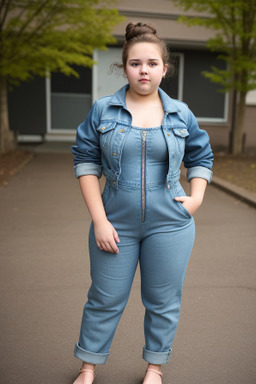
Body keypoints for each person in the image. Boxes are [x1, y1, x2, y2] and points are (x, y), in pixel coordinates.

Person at [71, 21, 213, 384]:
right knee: (105, 298)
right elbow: (85, 163)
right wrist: (100, 221)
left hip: (171, 223)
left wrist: (196, 198)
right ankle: (87, 367)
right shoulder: (103, 110)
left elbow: (201, 157)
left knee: (163, 301)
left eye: (152, 63)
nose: (144, 70)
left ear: (165, 68)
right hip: (115, 221)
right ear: (125, 67)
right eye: (136, 63)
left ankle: (155, 368)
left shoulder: (181, 113)